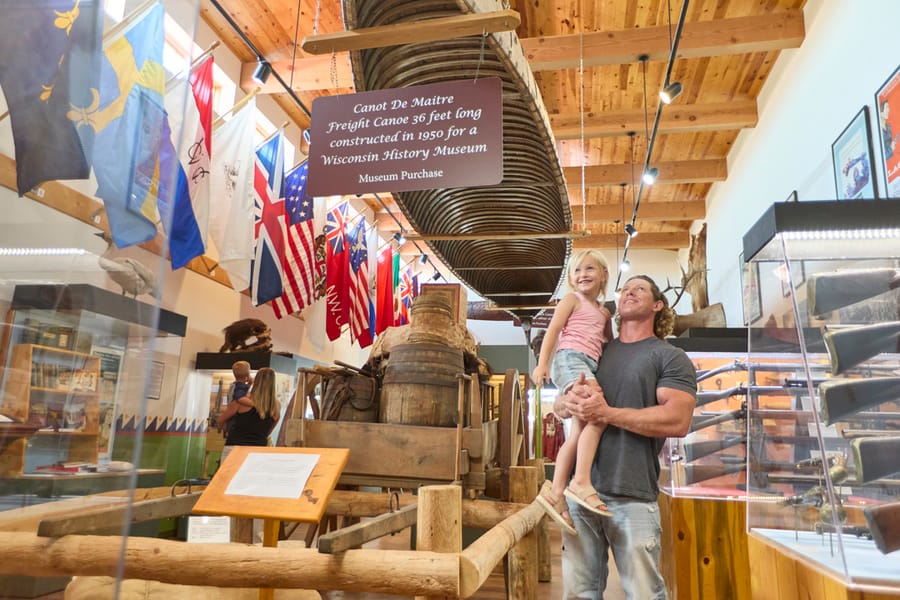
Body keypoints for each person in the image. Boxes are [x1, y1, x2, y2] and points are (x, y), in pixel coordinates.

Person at [554, 274, 697, 599]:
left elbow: (678, 419)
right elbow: (564, 400)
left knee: (643, 594)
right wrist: (564, 402)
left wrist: (607, 414)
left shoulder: (669, 356)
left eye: (641, 288)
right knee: (578, 594)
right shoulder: (595, 353)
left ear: (658, 305)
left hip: (632, 496)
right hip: (581, 498)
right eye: (625, 288)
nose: (629, 292)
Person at [532, 249, 614, 535]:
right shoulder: (572, 300)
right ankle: (580, 481)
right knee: (599, 416)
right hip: (569, 360)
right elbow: (553, 330)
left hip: (588, 364)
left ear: (603, 274)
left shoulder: (604, 312)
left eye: (589, 269)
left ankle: (555, 492)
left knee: (578, 431)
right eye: (577, 271)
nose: (583, 275)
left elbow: (607, 345)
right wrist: (542, 364)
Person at [216, 367, 281, 464]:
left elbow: (220, 420)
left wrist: (229, 430)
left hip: (234, 448)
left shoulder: (241, 401)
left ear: (256, 381)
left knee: (228, 478)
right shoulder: (275, 407)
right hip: (258, 450)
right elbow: (268, 432)